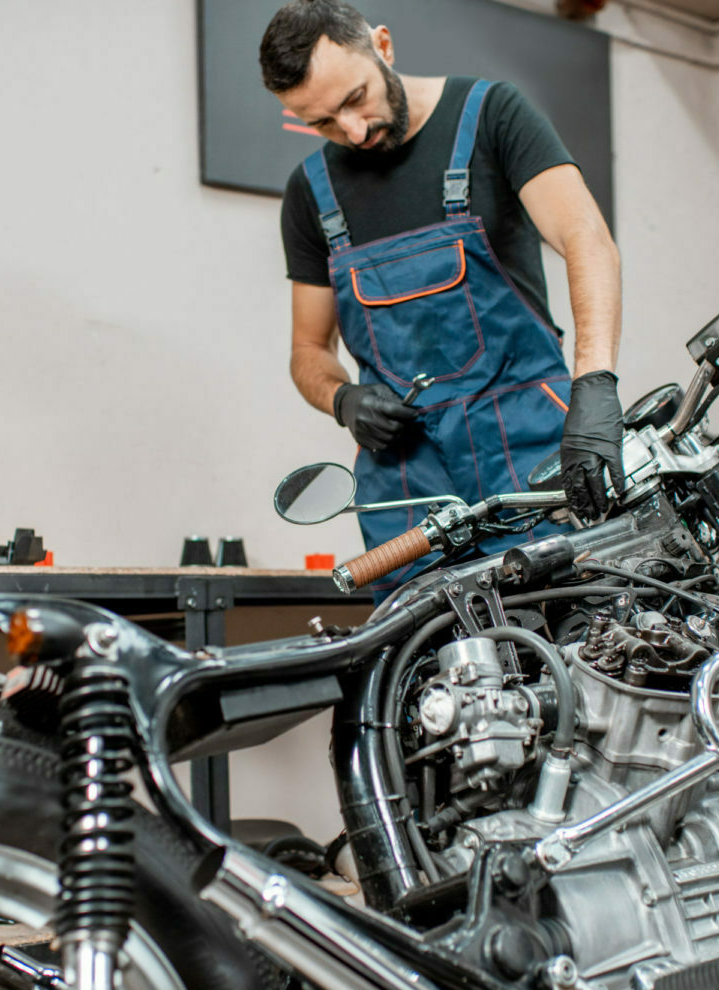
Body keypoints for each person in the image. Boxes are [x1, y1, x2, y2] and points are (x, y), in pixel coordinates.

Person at [260, 0, 624, 600]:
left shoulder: (492, 116)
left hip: (530, 461)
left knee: (580, 643)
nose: (353, 131)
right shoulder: (310, 193)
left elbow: (587, 239)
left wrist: (595, 384)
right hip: (408, 492)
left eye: (355, 99)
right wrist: (344, 397)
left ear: (383, 46)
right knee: (425, 674)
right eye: (321, 122)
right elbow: (307, 349)